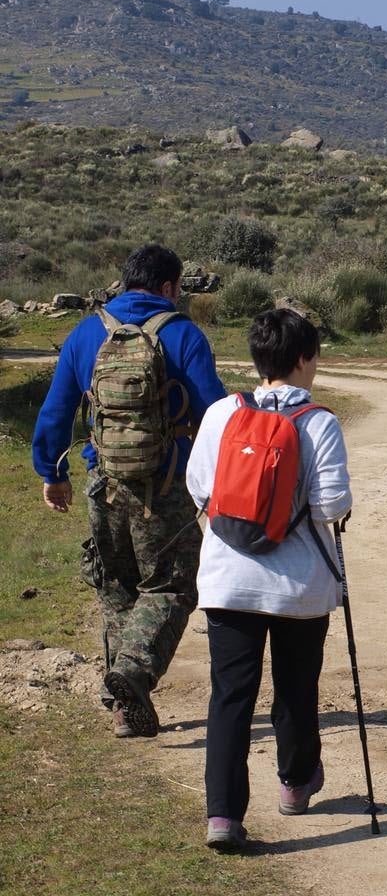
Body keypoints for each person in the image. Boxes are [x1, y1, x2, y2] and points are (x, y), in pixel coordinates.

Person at [32, 244, 226, 737]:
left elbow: (56, 411)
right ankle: (133, 673)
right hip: (164, 488)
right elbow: (215, 415)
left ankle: (126, 708)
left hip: (104, 486)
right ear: (168, 287)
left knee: (116, 588)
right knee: (171, 586)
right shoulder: (182, 334)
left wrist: (52, 475)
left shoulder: (85, 335)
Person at [186, 308, 352, 851]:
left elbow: (200, 488)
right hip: (299, 587)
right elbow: (332, 504)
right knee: (296, 691)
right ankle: (295, 784)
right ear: (304, 359)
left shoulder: (219, 414)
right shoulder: (319, 422)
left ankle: (223, 818)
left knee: (230, 696)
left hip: (228, 581)